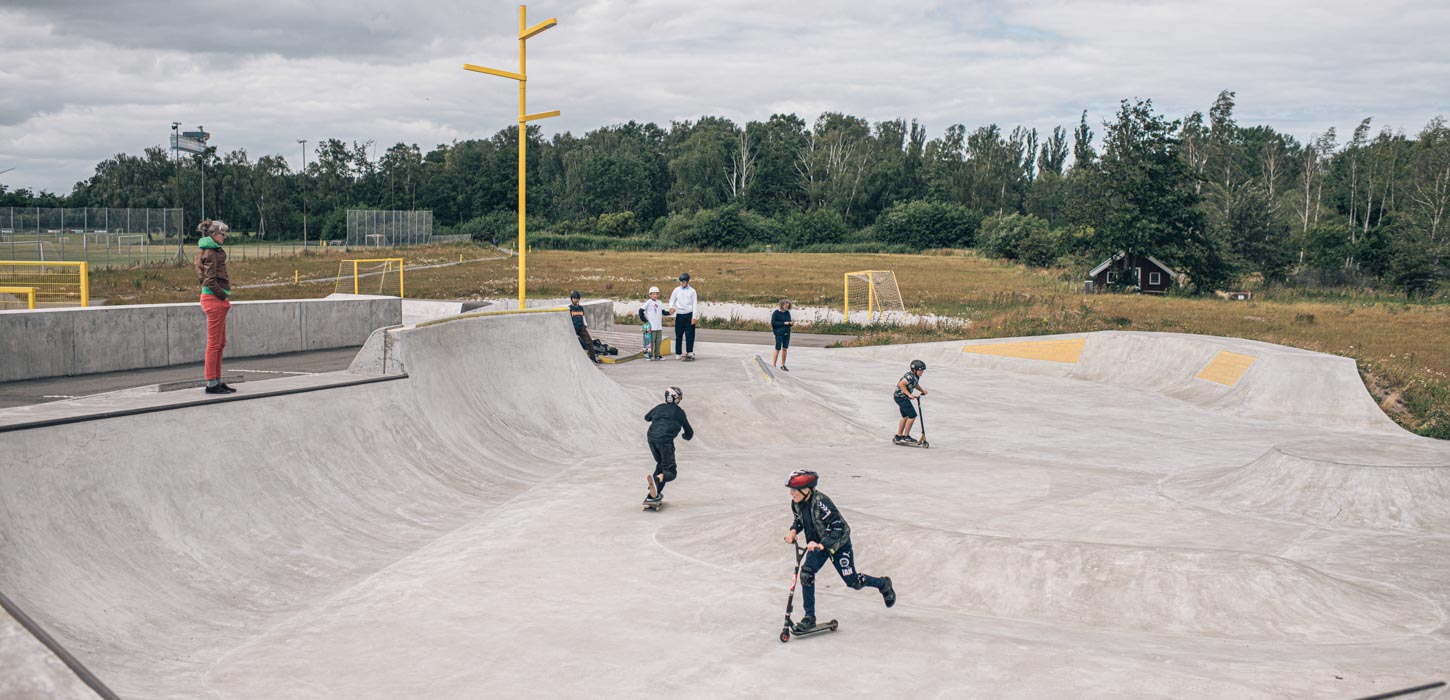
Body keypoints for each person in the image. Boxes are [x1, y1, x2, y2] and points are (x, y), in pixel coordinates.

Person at [782, 470, 894, 634]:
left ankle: (883, 584)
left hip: (838, 544)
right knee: (806, 574)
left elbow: (839, 528)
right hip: (817, 545)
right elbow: (799, 520)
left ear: (806, 489)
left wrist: (822, 544)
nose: (791, 493)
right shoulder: (796, 502)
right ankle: (809, 618)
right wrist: (793, 532)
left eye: (793, 489)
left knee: (853, 581)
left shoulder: (822, 503)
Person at [194, 220, 235, 395]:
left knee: (220, 342)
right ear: (214, 235)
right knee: (214, 343)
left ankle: (216, 380)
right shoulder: (211, 252)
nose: (224, 237)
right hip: (214, 299)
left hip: (214, 299)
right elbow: (209, 280)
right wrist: (223, 295)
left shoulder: (211, 250)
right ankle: (211, 383)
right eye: (222, 234)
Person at [644, 386, 694, 505]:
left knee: (661, 465)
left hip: (651, 439)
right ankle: (657, 479)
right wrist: (685, 436)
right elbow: (689, 432)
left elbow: (647, 418)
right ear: (676, 399)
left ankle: (652, 495)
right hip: (665, 442)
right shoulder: (679, 412)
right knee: (670, 472)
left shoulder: (659, 407)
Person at [894, 360, 928, 444]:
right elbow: (901, 384)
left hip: (900, 397)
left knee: (905, 417)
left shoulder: (915, 376)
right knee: (912, 416)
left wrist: (922, 390)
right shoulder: (909, 376)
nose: (922, 372)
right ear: (914, 370)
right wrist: (909, 395)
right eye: (920, 370)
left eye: (922, 370)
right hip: (901, 398)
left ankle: (898, 436)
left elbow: (915, 384)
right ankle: (906, 436)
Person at [667, 272, 698, 361]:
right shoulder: (676, 290)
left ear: (687, 281)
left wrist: (694, 317)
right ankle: (678, 353)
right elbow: (671, 300)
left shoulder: (692, 291)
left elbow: (695, 304)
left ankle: (689, 352)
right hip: (680, 315)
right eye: (681, 281)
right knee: (679, 335)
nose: (682, 283)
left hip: (689, 315)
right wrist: (671, 307)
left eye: (684, 282)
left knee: (690, 335)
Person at [638, 286, 670, 360]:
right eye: (653, 294)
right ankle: (648, 355)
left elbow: (663, 312)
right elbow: (640, 311)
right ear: (650, 295)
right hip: (651, 327)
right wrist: (645, 321)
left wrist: (669, 312)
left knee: (658, 342)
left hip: (659, 327)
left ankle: (657, 355)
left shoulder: (659, 302)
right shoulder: (648, 302)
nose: (655, 295)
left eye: (656, 294)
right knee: (650, 342)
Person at [568, 290, 599, 364]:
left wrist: (585, 325)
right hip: (574, 329)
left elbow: (583, 317)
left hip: (581, 328)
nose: (576, 300)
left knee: (590, 342)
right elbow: (568, 319)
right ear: (571, 299)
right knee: (574, 344)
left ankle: (593, 358)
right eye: (574, 298)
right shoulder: (569, 308)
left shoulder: (581, 308)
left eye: (577, 298)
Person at [770, 299, 794, 371]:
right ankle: (773, 365)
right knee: (777, 348)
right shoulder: (776, 313)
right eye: (786, 305)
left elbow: (788, 323)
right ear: (782, 305)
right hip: (779, 333)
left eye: (788, 306)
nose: (787, 307)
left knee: (785, 349)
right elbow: (773, 323)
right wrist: (783, 323)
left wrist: (791, 324)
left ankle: (783, 365)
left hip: (787, 333)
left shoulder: (787, 313)